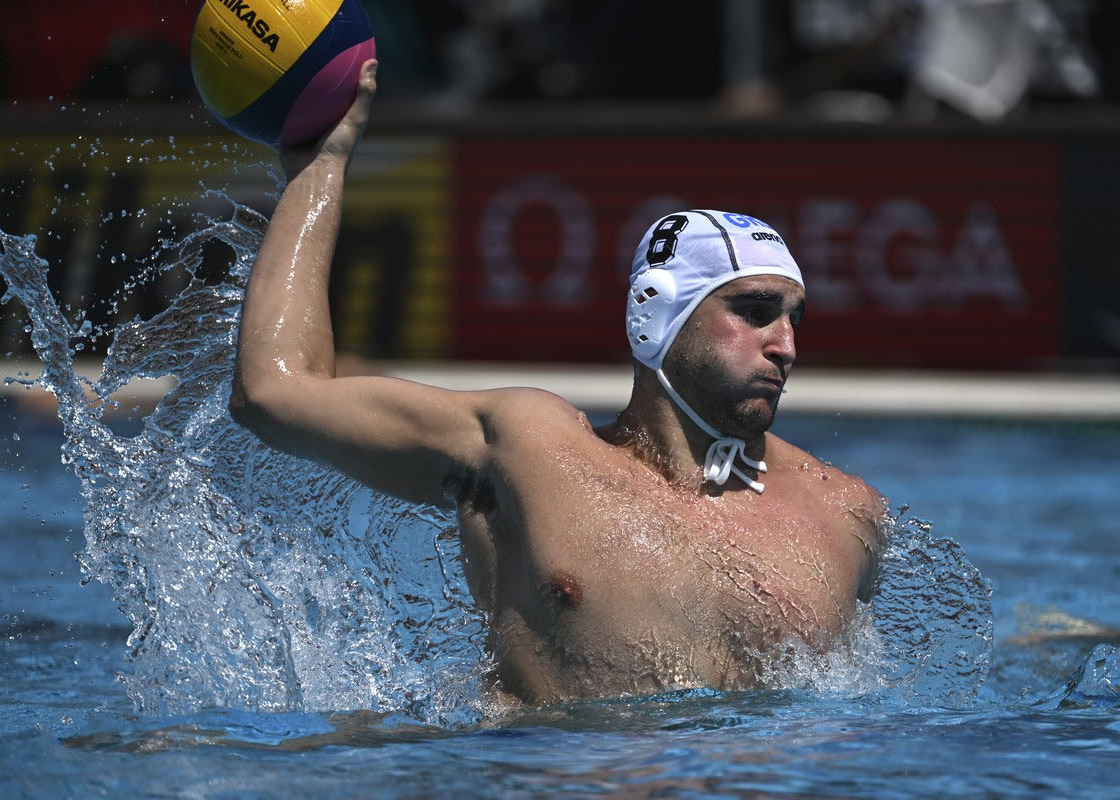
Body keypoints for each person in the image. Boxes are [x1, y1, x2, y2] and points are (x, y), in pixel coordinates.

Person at [230, 59, 886, 706]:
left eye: (794, 318)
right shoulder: (529, 452)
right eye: (754, 311)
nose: (786, 345)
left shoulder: (845, 514)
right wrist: (321, 167)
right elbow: (272, 393)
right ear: (656, 315)